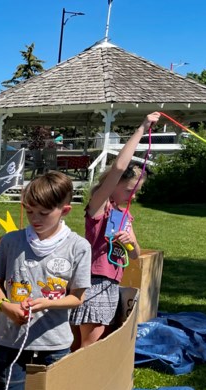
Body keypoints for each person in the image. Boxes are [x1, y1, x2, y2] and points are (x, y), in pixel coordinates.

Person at [0, 171, 91, 390]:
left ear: (64, 210)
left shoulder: (78, 247)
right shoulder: (11, 242)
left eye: (44, 213)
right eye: (29, 211)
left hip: (53, 344)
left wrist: (48, 303)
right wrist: (5, 306)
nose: (35, 219)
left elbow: (77, 297)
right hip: (11, 342)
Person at [70, 112, 161, 350]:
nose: (133, 196)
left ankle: (80, 380)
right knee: (91, 341)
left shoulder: (124, 214)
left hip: (112, 282)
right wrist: (142, 128)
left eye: (137, 192)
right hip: (95, 281)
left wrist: (131, 241)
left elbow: (134, 255)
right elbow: (120, 166)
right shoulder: (100, 206)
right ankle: (76, 381)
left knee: (96, 339)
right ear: (115, 183)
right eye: (130, 189)